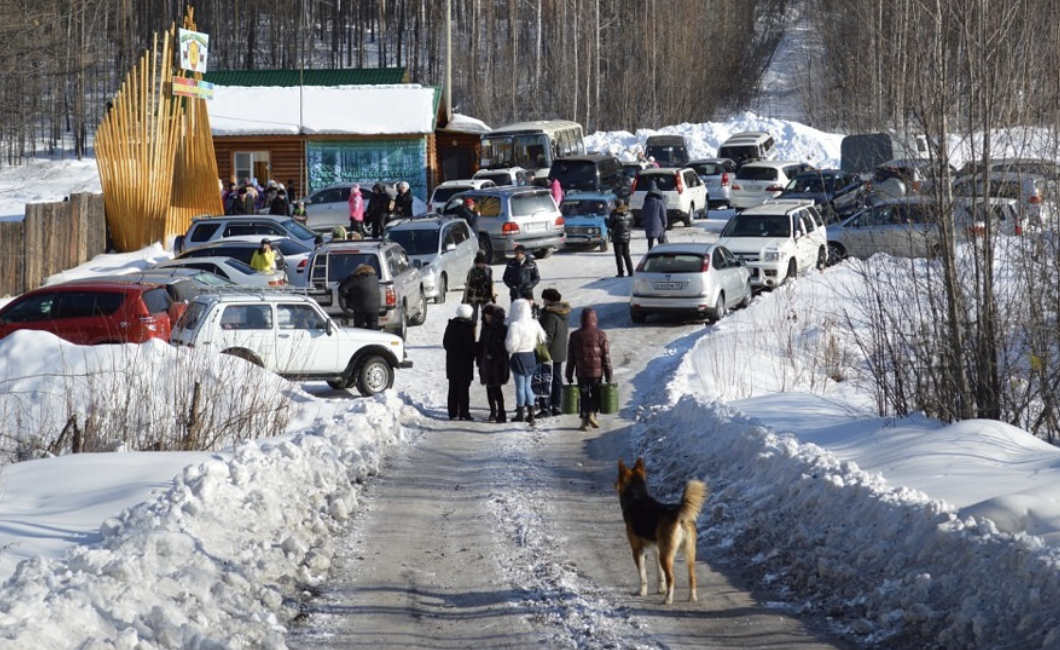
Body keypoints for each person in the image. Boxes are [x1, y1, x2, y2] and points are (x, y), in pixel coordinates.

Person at [566, 306, 613, 431]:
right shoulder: (601, 335)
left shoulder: (575, 335)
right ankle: (592, 413)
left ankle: (584, 422)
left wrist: (568, 374)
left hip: (581, 372)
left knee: (584, 395)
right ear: (594, 319)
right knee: (595, 394)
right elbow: (606, 357)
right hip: (596, 373)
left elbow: (571, 358)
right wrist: (609, 374)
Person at [505, 298, 547, 424]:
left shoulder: (515, 325)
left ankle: (520, 413)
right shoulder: (534, 323)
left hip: (519, 357)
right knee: (528, 387)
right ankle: (532, 413)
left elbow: (511, 346)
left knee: (520, 387)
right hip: (530, 356)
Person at [538, 288, 570, 418]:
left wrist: (541, 351)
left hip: (550, 351)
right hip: (560, 348)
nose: (543, 301)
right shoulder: (563, 312)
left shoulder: (550, 315)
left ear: (549, 300)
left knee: (545, 379)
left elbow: (548, 335)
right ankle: (557, 405)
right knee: (557, 377)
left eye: (544, 299)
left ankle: (546, 407)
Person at [443, 303, 477, 421]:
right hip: (465, 363)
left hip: (452, 362)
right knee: (464, 388)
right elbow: (470, 347)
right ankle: (464, 412)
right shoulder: (468, 328)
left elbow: (445, 343)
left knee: (453, 387)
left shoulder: (451, 325)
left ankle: (452, 412)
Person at [477, 304, 509, 423]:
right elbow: (481, 344)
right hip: (486, 363)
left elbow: (504, 347)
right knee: (489, 388)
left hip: (498, 364)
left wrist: (494, 354)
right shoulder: (485, 328)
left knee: (496, 388)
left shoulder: (502, 329)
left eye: (489, 316)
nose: (487, 318)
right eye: (485, 316)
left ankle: (501, 412)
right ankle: (493, 412)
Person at [338, 264, 381, 330]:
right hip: (375, 308)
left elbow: (342, 289)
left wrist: (346, 308)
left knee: (359, 329)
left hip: (360, 308)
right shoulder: (375, 278)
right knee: (373, 329)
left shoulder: (355, 278)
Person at [463, 252, 494, 324]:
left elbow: (491, 284)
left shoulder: (488, 270)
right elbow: (468, 285)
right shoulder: (472, 271)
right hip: (474, 297)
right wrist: (465, 299)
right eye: (479, 263)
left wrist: (492, 295)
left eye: (482, 263)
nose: (480, 265)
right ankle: (473, 332)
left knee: (486, 317)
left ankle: (485, 333)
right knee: (474, 318)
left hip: (485, 296)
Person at [608, 198, 635, 277]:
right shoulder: (629, 213)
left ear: (616, 205)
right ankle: (631, 271)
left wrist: (606, 221)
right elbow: (632, 223)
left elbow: (610, 224)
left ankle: (621, 272)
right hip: (626, 237)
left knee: (618, 255)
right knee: (626, 254)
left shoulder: (614, 214)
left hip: (617, 237)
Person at [641, 181, 668, 250]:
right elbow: (663, 214)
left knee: (650, 241)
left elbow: (643, 213)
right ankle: (661, 252)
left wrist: (644, 221)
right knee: (660, 239)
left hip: (649, 224)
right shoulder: (660, 202)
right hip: (659, 224)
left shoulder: (646, 203)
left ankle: (650, 251)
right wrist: (665, 223)